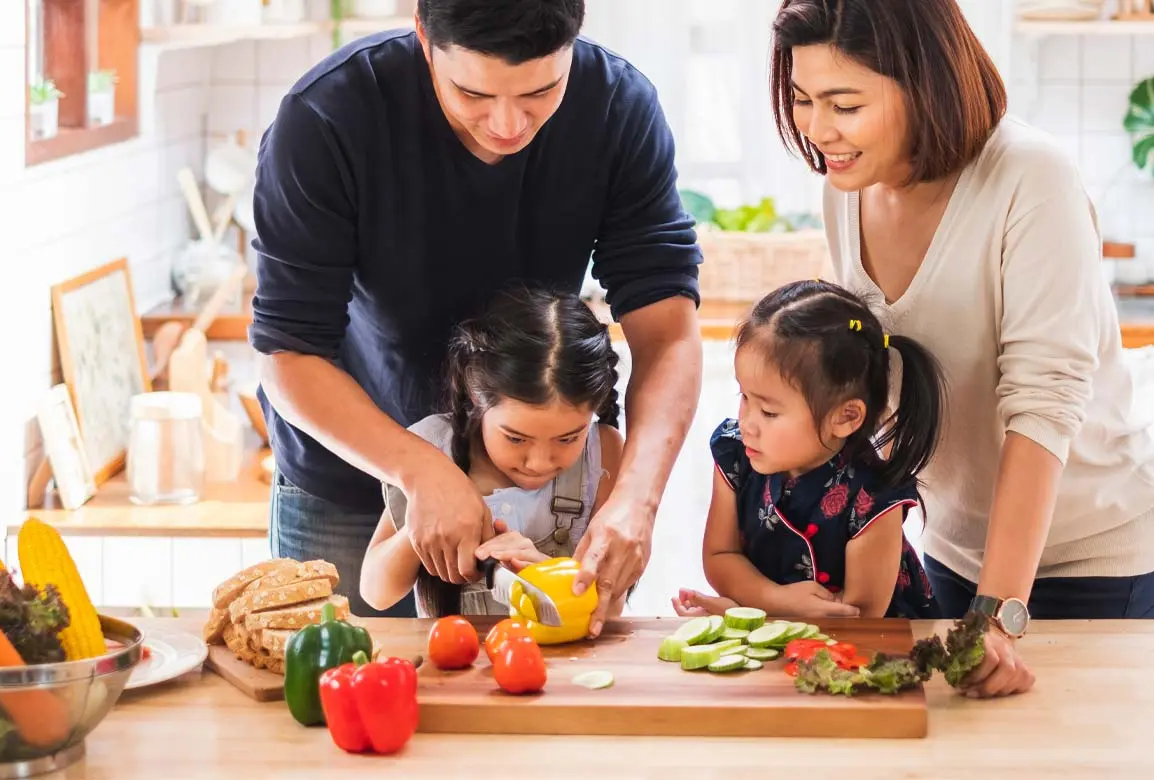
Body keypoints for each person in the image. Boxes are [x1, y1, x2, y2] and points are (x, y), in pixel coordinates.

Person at [248, 0, 703, 630]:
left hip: (548, 483)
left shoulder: (616, 107)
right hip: (352, 473)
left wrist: (635, 497)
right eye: (472, 92)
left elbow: (668, 333)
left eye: (542, 90)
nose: (509, 125)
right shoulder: (329, 116)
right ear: (423, 37)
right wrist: (419, 468)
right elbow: (288, 351)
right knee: (338, 699)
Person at [769, 0, 1154, 697]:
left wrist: (997, 614)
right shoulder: (847, 188)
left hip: (1090, 562)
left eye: (844, 104)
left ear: (924, 82)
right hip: (951, 552)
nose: (818, 129)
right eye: (802, 99)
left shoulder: (1030, 179)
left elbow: (1043, 404)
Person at [672, 280, 945, 622]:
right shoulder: (735, 453)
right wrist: (769, 603)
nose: (747, 423)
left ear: (845, 418)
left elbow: (857, 615)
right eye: (744, 397)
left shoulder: (874, 495)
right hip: (782, 636)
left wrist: (753, 611)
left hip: (869, 651)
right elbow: (720, 555)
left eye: (769, 412)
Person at [360, 287, 626, 617]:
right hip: (452, 663)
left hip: (566, 667)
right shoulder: (432, 448)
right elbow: (376, 592)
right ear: (476, 396)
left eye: (568, 438)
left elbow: (611, 608)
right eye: (516, 439)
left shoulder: (604, 452)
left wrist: (544, 573)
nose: (539, 463)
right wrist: (423, 529)